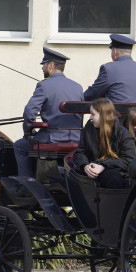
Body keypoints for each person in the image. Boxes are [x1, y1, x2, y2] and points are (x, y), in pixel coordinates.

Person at [13, 47, 84, 179]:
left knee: (19, 146)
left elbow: (29, 112)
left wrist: (28, 133)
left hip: (52, 138)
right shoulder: (77, 86)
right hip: (76, 139)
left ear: (51, 65)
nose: (42, 68)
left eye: (44, 65)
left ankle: (26, 183)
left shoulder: (44, 85)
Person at [72, 98, 136, 188]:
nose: (90, 117)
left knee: (113, 176)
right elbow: (80, 152)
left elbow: (129, 159)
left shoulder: (123, 134)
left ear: (103, 115)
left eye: (93, 114)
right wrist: (85, 166)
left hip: (115, 171)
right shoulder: (89, 128)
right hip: (93, 168)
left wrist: (103, 166)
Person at [83, 34, 136, 103]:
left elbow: (93, 94)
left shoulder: (108, 69)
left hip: (114, 113)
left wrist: (78, 97)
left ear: (115, 52)